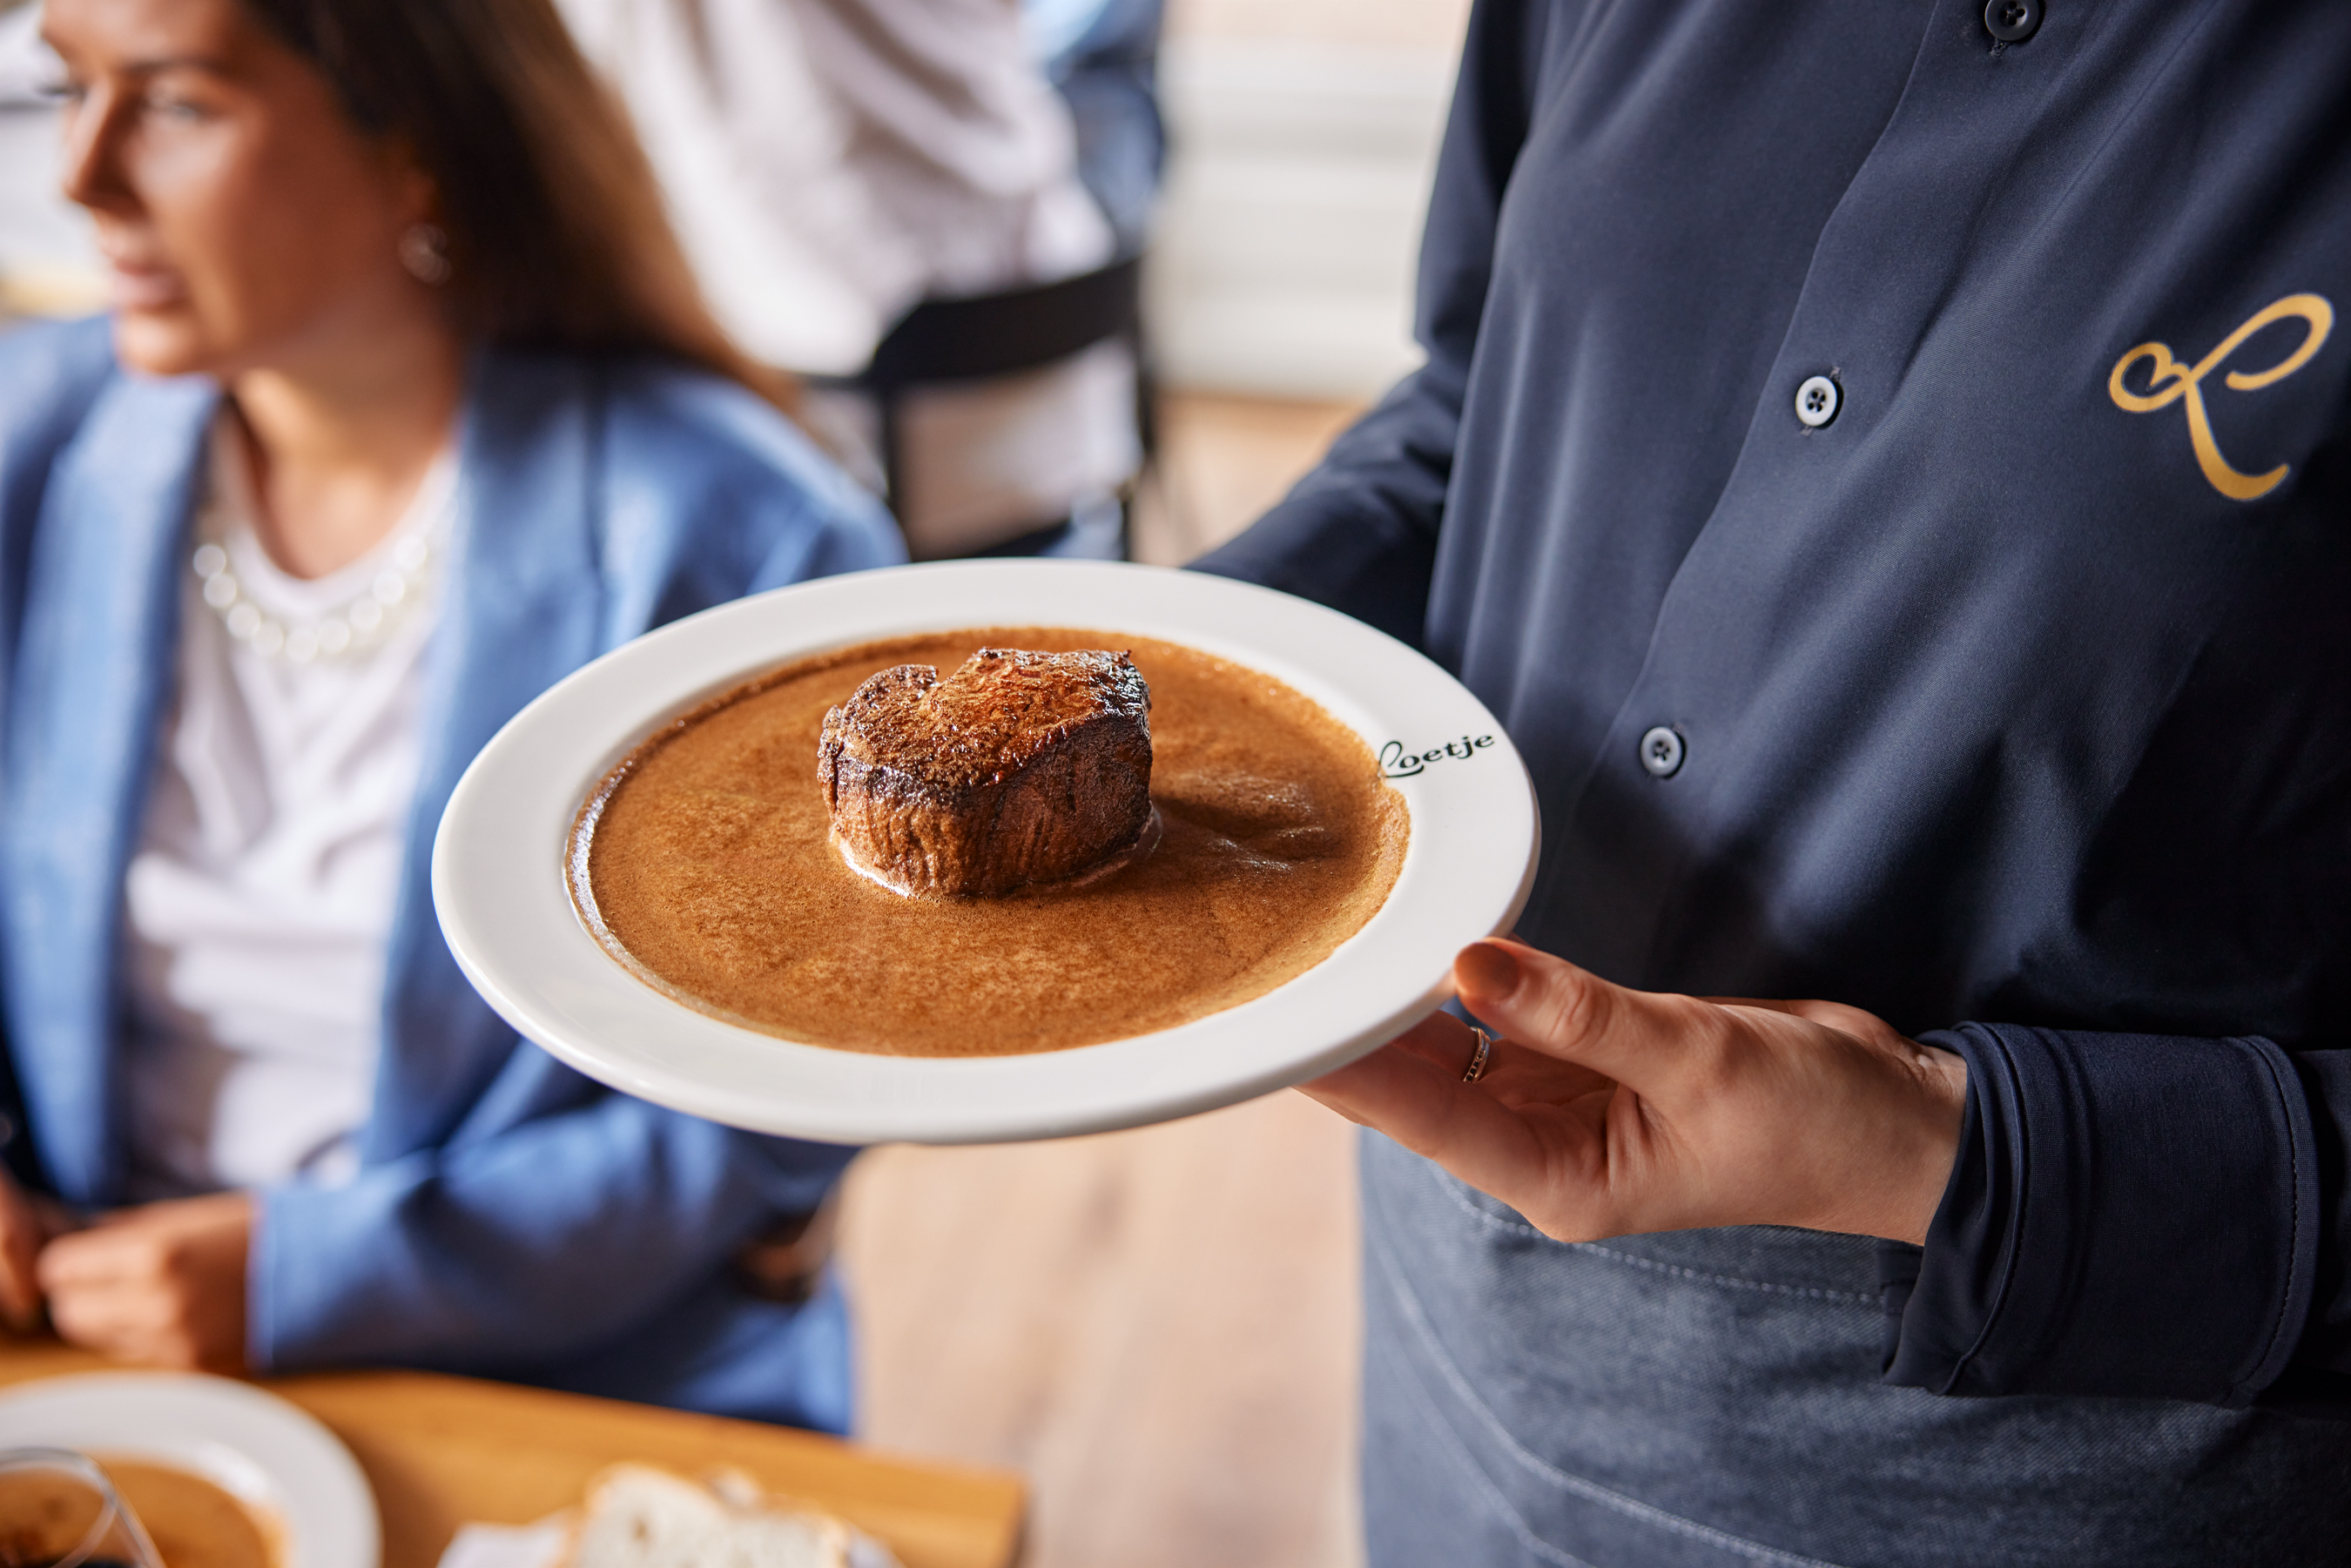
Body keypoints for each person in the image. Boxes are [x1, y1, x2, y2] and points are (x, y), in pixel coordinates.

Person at [1198, 1, 2351, 1561]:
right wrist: (1148, 676)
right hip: (1447, 1295)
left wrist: (1958, 1151)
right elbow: (1477, 405)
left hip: (2043, 1462)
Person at [0, 0, 900, 1430]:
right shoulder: (30, 445)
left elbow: (783, 1109)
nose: (79, 173)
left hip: (552, 1383)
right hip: (90, 1356)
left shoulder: (743, 539)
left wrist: (330, 1272)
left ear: (418, 140)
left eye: (172, 102)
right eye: (70, 88)